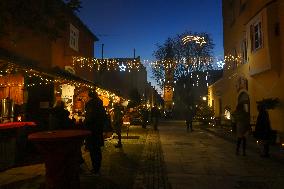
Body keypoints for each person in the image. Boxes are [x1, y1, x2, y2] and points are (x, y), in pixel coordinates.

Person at [84, 90, 106, 174]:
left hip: (92, 131)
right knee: (97, 149)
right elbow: (103, 117)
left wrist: (85, 123)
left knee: (93, 150)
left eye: (87, 97)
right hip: (98, 130)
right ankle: (97, 167)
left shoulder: (91, 105)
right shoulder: (100, 104)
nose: (86, 98)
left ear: (90, 97)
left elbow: (89, 118)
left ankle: (95, 168)